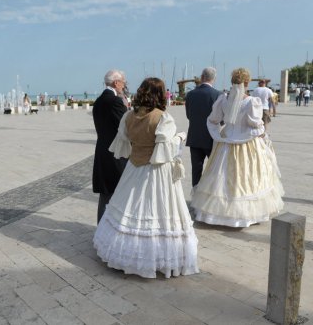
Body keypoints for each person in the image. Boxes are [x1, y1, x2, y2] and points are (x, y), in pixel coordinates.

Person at [93, 77, 199, 279]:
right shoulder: (162, 118)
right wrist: (180, 137)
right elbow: (166, 149)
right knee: (158, 209)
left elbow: (122, 142)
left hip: (134, 167)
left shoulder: (129, 117)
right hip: (156, 170)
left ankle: (125, 253)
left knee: (131, 208)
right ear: (160, 95)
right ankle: (155, 257)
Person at [191, 68, 284, 227]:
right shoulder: (251, 101)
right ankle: (244, 214)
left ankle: (220, 211)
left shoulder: (223, 99)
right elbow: (255, 125)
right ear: (247, 83)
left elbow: (212, 120)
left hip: (226, 142)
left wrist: (218, 135)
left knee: (222, 176)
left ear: (232, 82)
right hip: (246, 145)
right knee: (247, 177)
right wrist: (262, 132)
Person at [92, 69, 128, 223]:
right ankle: (112, 229)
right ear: (116, 82)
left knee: (105, 193)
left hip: (102, 151)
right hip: (116, 153)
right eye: (123, 82)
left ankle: (101, 227)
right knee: (118, 191)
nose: (124, 85)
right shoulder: (115, 102)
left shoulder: (99, 101)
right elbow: (126, 128)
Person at [185, 67, 222, 187]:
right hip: (211, 138)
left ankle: (196, 196)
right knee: (214, 169)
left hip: (194, 137)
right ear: (214, 79)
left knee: (196, 170)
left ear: (202, 77)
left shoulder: (190, 94)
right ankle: (210, 195)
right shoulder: (218, 95)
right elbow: (221, 118)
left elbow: (188, 115)